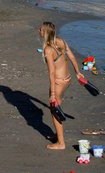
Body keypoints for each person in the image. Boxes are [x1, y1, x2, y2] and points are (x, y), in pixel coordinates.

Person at [39, 21, 84, 150]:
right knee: (58, 105)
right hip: (67, 79)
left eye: (40, 30)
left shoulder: (48, 49)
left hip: (58, 82)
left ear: (45, 32)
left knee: (54, 110)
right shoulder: (61, 41)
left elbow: (52, 72)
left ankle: (61, 143)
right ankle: (57, 135)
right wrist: (78, 72)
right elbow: (72, 57)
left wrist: (52, 93)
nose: (39, 31)